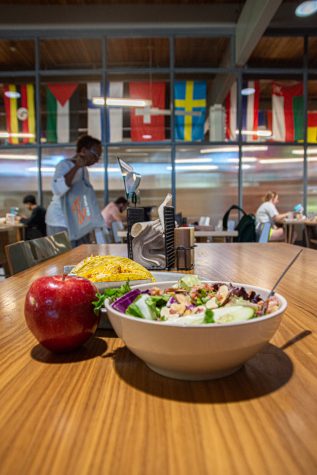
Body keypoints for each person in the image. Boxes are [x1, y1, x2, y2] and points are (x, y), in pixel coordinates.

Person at [45, 135, 102, 247]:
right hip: (60, 220)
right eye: (95, 155)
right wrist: (76, 167)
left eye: (98, 157)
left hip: (77, 221)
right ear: (84, 150)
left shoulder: (84, 170)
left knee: (79, 256)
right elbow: (58, 189)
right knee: (63, 259)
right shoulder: (64, 165)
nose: (96, 160)